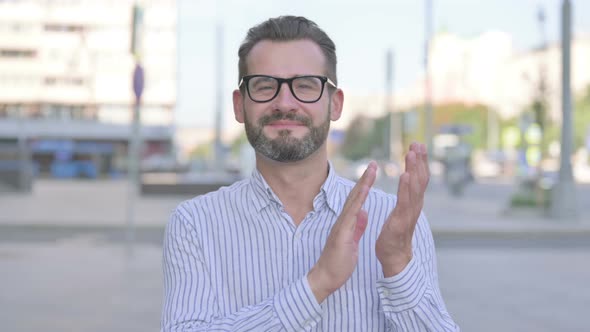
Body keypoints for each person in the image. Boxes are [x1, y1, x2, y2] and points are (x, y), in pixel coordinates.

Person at [162, 16, 459, 331]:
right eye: (264, 86)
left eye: (305, 86)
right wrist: (318, 283)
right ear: (240, 105)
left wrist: (397, 263)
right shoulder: (195, 224)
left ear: (335, 104)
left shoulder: (393, 221)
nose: (284, 103)